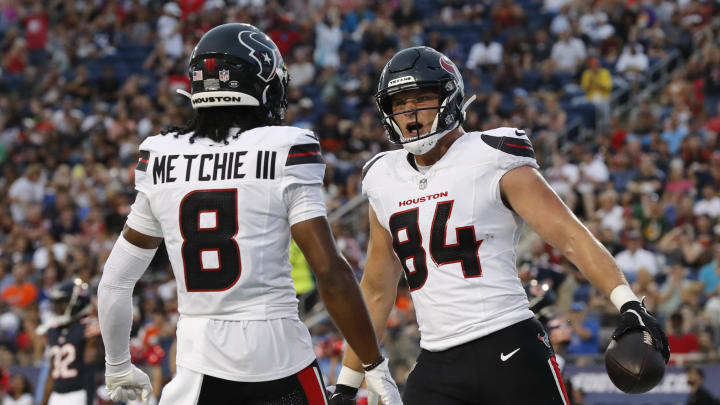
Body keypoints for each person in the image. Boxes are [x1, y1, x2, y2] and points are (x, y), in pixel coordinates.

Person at [329, 46, 670, 405]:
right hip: (435, 363)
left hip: (509, 345)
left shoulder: (492, 155)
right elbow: (377, 289)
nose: (410, 113)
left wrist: (629, 303)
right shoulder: (383, 177)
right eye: (399, 104)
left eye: (422, 99)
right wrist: (348, 384)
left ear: (449, 99)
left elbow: (570, 236)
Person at [96, 23, 402, 405]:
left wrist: (118, 365)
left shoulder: (161, 155)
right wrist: (372, 365)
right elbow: (330, 272)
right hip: (282, 358)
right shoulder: (286, 147)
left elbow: (114, 282)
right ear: (261, 86)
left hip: (198, 369)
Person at [38, 278, 100, 405]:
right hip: (56, 395)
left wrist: (89, 400)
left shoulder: (88, 328)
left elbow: (90, 372)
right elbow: (51, 373)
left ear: (76, 303)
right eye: (56, 303)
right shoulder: (53, 330)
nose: (57, 308)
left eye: (62, 303)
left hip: (78, 394)